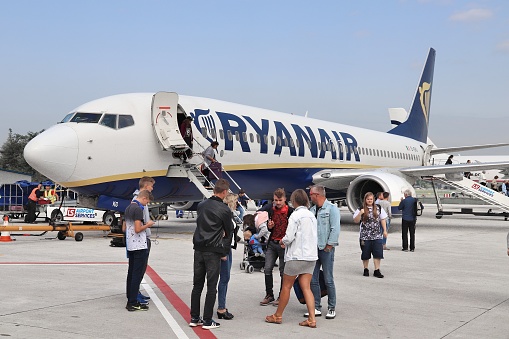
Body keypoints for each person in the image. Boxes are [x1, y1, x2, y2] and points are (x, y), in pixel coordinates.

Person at [265, 189, 318, 328]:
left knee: (286, 286)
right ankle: (312, 318)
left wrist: (283, 242)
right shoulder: (312, 215)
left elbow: (289, 237)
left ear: (294, 201)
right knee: (306, 287)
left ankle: (278, 315)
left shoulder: (295, 215)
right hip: (311, 256)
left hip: (296, 256)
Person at [190, 179, 233, 330]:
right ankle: (207, 320)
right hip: (213, 250)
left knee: (197, 285)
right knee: (211, 286)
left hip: (198, 248)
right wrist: (224, 252)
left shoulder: (201, 205)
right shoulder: (224, 209)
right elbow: (229, 233)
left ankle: (195, 317)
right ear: (225, 192)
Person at [306, 185, 340, 320]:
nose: (309, 196)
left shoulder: (332, 209)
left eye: (311, 194)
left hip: (325, 249)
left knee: (328, 279)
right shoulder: (312, 210)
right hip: (313, 250)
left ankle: (331, 307)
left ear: (317, 195)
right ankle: (316, 307)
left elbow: (335, 228)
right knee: (313, 279)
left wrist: (329, 245)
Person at [259, 188, 294, 306]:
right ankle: (269, 294)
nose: (278, 203)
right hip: (272, 243)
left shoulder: (290, 212)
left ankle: (281, 296)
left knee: (283, 272)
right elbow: (260, 215)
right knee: (267, 268)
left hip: (284, 245)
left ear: (285, 199)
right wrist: (269, 227)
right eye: (275, 200)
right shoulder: (270, 209)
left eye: (280, 200)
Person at [124, 190, 153, 311]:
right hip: (139, 246)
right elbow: (137, 229)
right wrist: (148, 224)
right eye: (147, 202)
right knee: (136, 274)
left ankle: (130, 298)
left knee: (131, 273)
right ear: (144, 198)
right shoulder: (138, 210)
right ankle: (133, 302)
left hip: (130, 245)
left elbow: (124, 227)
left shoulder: (128, 208)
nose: (147, 205)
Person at [131, 177, 156, 304]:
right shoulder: (138, 202)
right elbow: (137, 226)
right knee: (138, 268)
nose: (152, 189)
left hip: (142, 237)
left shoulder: (137, 201)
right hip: (141, 239)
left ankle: (135, 292)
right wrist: (148, 225)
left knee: (140, 268)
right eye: (151, 186)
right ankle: (134, 294)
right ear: (146, 186)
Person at [216, 192, 240, 321]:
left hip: (228, 249)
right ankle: (221, 308)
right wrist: (222, 252)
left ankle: (222, 306)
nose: (237, 204)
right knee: (224, 279)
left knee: (225, 279)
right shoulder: (226, 214)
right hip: (224, 250)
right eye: (235, 201)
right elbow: (222, 234)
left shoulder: (229, 214)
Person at [353, 192, 387, 278]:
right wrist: (360, 213)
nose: (369, 201)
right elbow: (356, 220)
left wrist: (385, 230)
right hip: (365, 236)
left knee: (378, 253)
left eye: (371, 199)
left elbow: (382, 219)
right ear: (365, 200)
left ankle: (377, 270)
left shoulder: (378, 208)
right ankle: (366, 269)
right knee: (365, 254)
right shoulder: (361, 208)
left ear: (373, 200)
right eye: (368, 199)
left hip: (376, 235)